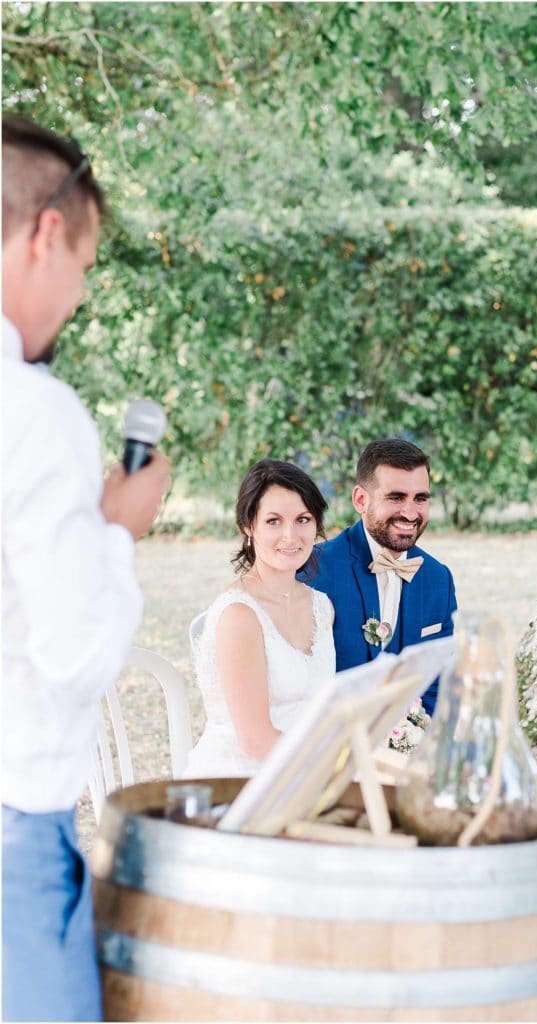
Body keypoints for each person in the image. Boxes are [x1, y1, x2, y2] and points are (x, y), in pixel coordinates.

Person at [2, 115, 170, 1022]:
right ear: (47, 232)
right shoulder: (34, 413)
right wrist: (118, 534)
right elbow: (76, 656)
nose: (74, 298)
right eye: (84, 270)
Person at [184, 459, 336, 779]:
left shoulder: (322, 607)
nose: (290, 535)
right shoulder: (239, 615)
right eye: (273, 521)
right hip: (244, 777)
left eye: (303, 519)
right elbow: (255, 741)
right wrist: (334, 767)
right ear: (248, 526)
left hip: (304, 766)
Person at [308, 438, 457, 715]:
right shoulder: (313, 569)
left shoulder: (439, 581)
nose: (410, 512)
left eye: (420, 499)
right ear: (361, 500)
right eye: (396, 497)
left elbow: (438, 686)